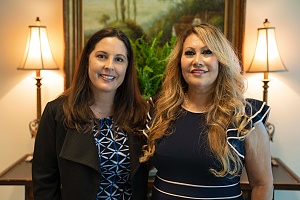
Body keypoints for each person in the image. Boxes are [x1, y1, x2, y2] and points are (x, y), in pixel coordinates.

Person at [140, 24, 273, 200]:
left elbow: (262, 185)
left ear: (221, 60)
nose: (197, 60)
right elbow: (139, 166)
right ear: (179, 62)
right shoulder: (160, 109)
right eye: (189, 53)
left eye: (207, 52)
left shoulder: (244, 116)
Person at [32, 28, 149, 200]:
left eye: (119, 59)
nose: (109, 66)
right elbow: (44, 183)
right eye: (101, 56)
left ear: (127, 67)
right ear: (87, 60)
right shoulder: (57, 113)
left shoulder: (140, 114)